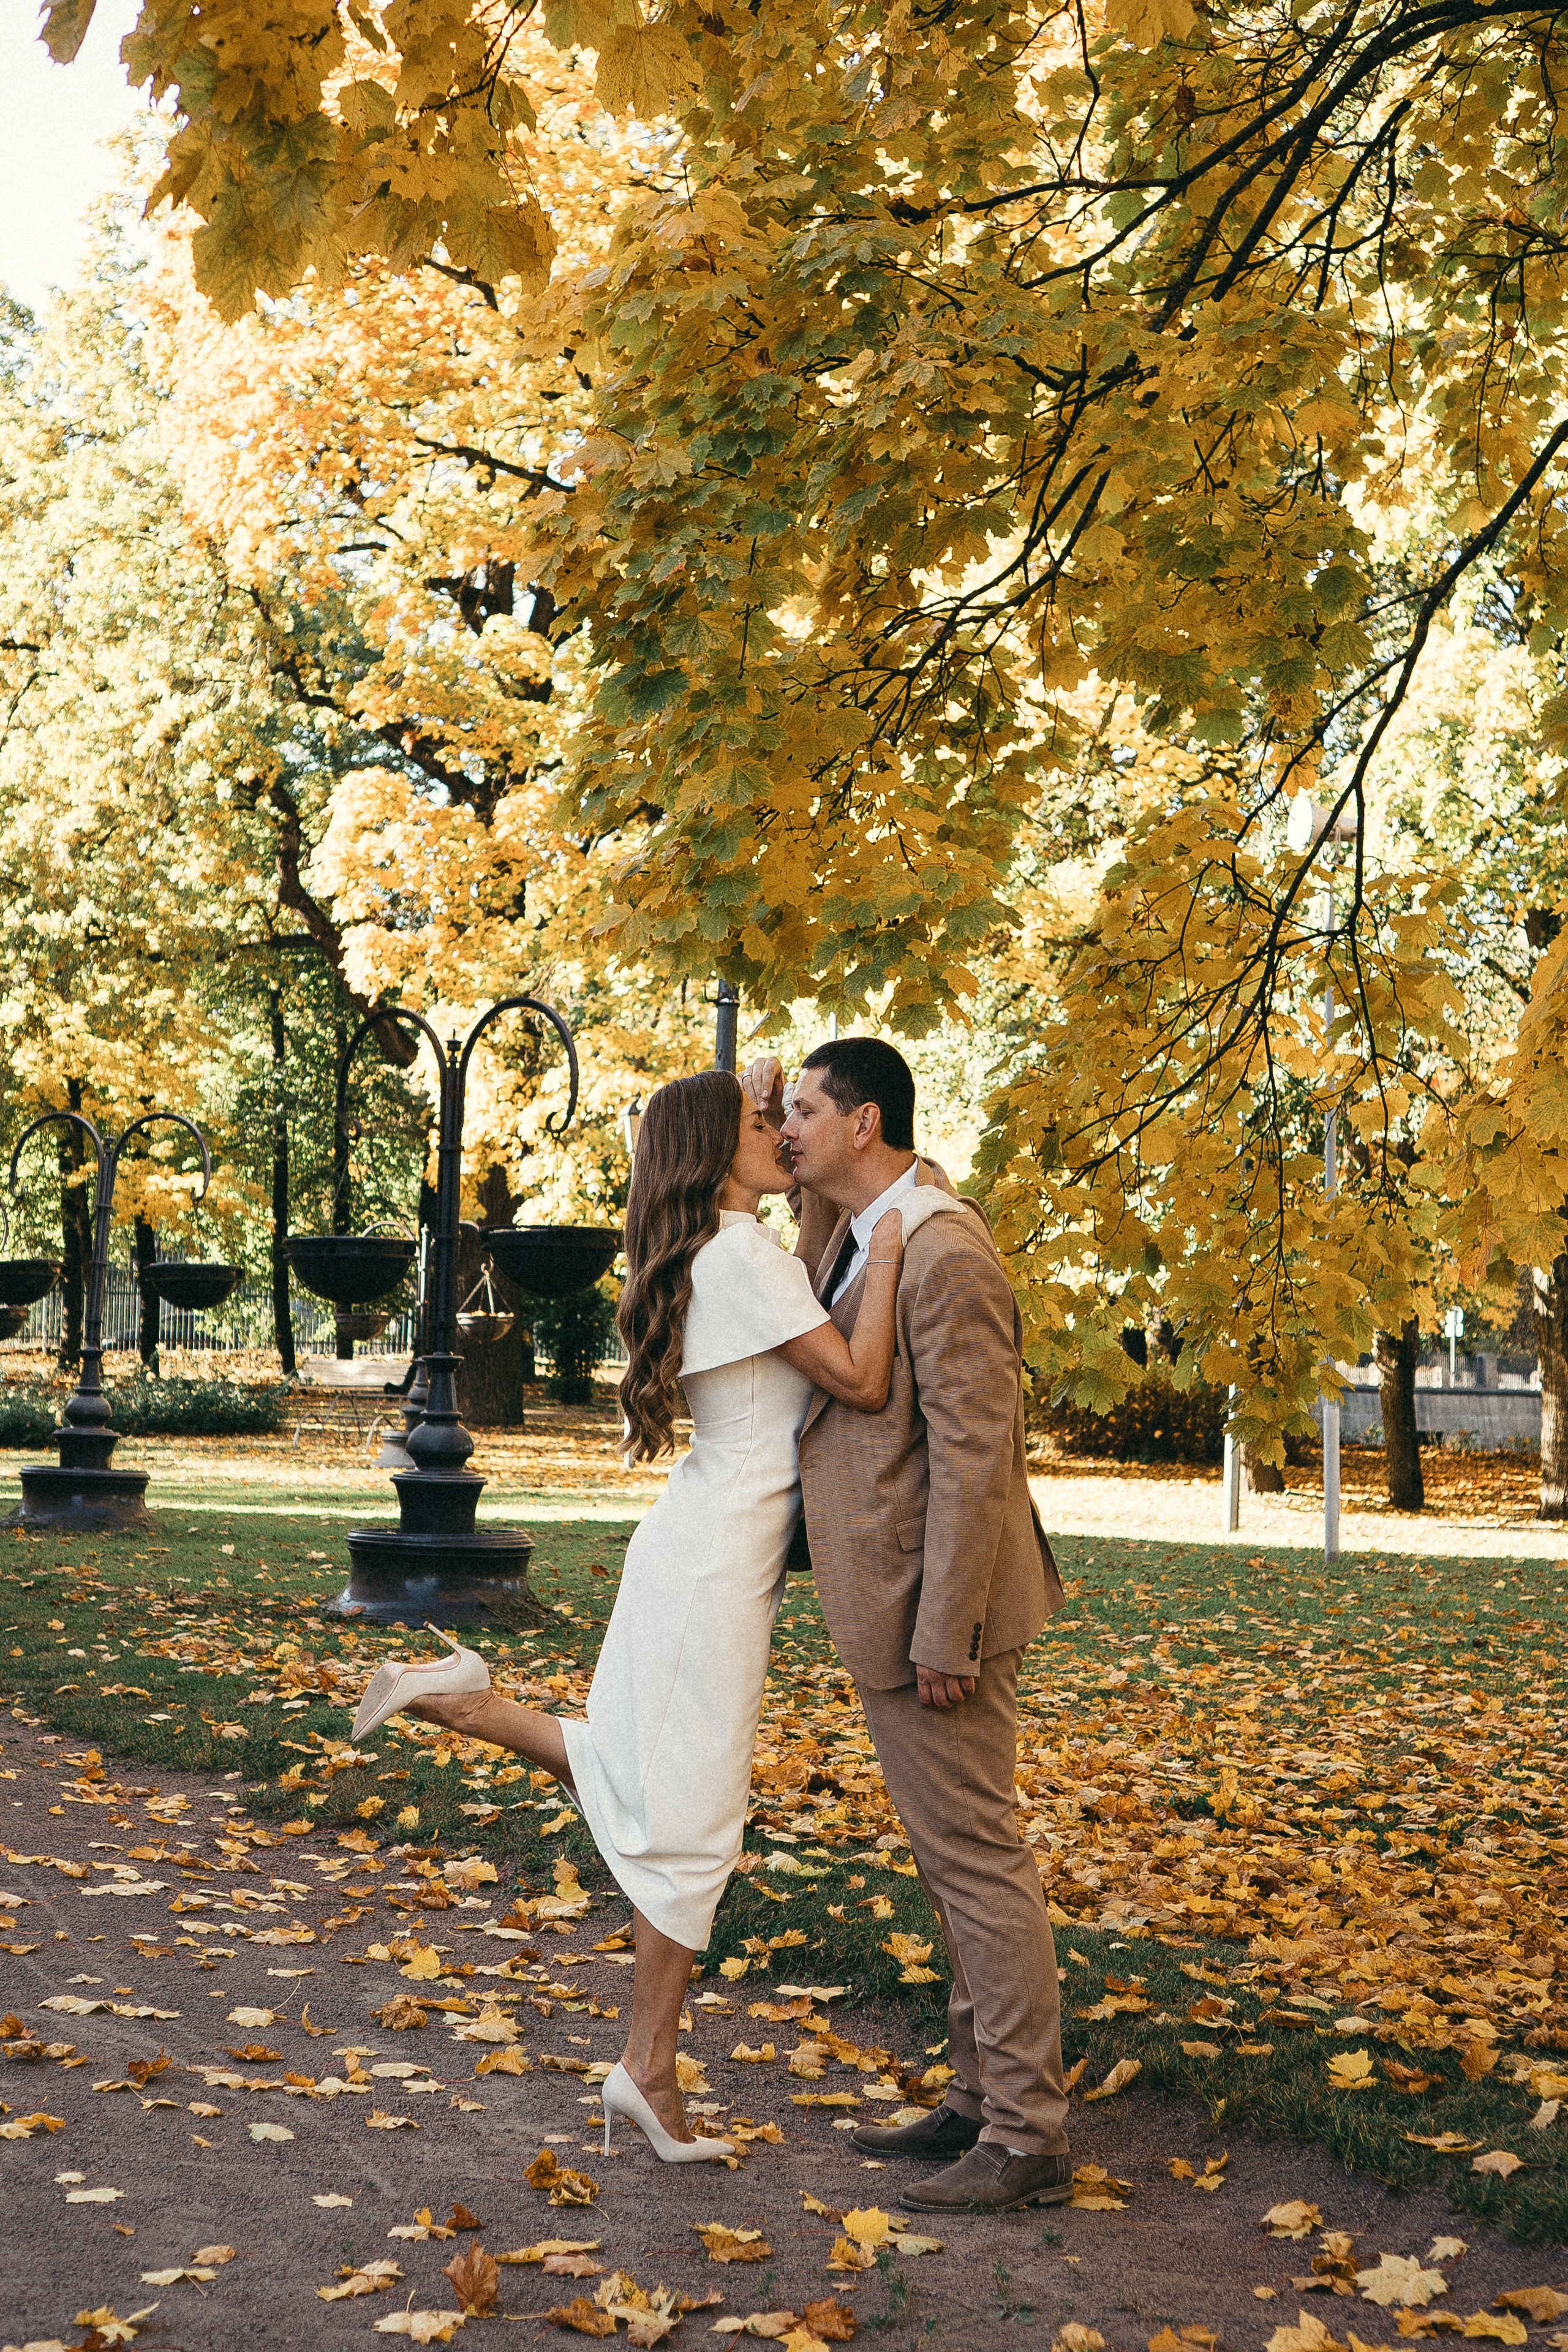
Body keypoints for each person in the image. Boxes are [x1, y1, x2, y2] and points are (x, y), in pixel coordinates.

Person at [379, 1068, 933, 2162]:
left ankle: (465, 1698)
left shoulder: (721, 1250)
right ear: (717, 1153)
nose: (782, 1134)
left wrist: (747, 1099)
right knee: (691, 1822)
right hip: (711, 1567)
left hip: (701, 1550)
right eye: (763, 1123)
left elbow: (793, 1242)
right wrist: (896, 1235)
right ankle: (648, 2069)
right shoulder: (741, 1258)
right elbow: (865, 1381)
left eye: (784, 1117)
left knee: (649, 1781)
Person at [744, 1036, 1072, 2214]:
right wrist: (757, 1112)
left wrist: (948, 1631)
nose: (787, 1131)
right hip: (896, 1596)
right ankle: (980, 2099)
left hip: (939, 1612)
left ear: (867, 1122)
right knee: (950, 1863)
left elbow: (980, 1459)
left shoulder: (941, 1250)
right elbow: (793, 1236)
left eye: (805, 1112)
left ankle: (1026, 2134)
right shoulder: (862, 1228)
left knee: (976, 1861)